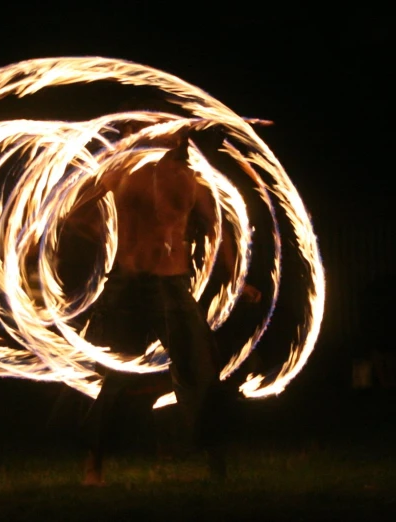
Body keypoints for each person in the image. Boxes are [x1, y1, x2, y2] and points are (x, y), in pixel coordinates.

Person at [66, 125, 257, 485]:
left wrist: (239, 276)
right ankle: (93, 466)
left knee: (201, 376)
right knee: (117, 377)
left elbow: (220, 228)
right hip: (129, 285)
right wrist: (87, 225)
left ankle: (217, 468)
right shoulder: (120, 171)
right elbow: (76, 210)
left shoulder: (190, 180)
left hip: (173, 285)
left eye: (178, 131)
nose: (174, 134)